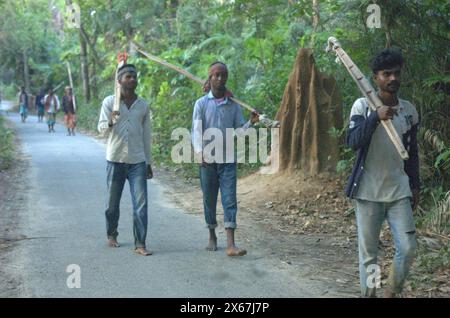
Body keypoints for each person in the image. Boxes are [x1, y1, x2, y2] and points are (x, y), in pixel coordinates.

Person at [345, 49, 419, 297]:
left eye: (396, 73)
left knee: (408, 247)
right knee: (369, 256)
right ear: (375, 77)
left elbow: (413, 153)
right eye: (386, 74)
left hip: (399, 192)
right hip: (368, 193)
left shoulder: (409, 111)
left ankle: (390, 292)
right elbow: (353, 141)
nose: (392, 79)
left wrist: (415, 186)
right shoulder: (362, 107)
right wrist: (375, 117)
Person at [192, 62, 259, 257]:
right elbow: (196, 131)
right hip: (208, 160)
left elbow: (238, 131)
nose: (220, 79)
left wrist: (250, 123)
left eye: (223, 75)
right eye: (217, 75)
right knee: (209, 199)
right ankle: (212, 233)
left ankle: (231, 243)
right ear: (210, 78)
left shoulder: (233, 104)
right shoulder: (202, 104)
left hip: (228, 159)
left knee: (229, 199)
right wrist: (199, 153)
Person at [98, 64, 153, 256]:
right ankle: (112, 234)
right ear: (119, 80)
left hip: (137, 160)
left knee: (141, 203)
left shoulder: (143, 105)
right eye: (128, 76)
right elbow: (102, 129)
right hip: (115, 159)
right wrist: (112, 120)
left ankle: (140, 243)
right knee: (112, 204)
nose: (133, 80)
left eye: (135, 77)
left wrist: (148, 161)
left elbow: (147, 135)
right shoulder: (109, 102)